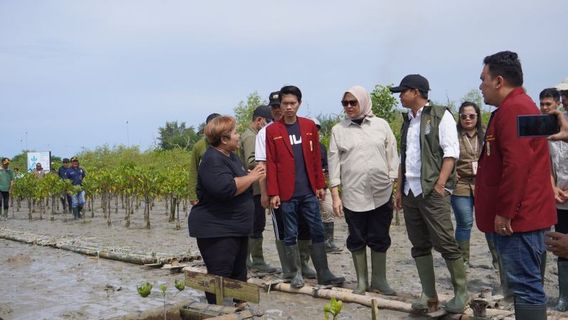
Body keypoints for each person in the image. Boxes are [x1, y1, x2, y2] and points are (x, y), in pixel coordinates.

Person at [475, 51, 556, 319]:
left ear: (499, 81)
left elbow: (518, 164)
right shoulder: (516, 107)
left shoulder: (516, 109)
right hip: (523, 215)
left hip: (519, 219)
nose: (481, 86)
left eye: (483, 80)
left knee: (527, 286)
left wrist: (505, 211)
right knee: (524, 286)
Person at [391, 74, 468, 314]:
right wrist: (399, 189)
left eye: (403, 92)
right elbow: (405, 158)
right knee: (419, 244)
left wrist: (440, 185)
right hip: (410, 190)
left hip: (432, 191)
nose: (400, 96)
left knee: (445, 242)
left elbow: (451, 153)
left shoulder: (440, 115)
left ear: (416, 91)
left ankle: (461, 293)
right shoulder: (408, 120)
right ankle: (429, 294)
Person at [266, 85, 344, 288]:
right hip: (286, 193)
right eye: (285, 104)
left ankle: (324, 272)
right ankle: (295, 273)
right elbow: (271, 163)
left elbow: (316, 160)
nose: (289, 107)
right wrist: (273, 192)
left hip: (308, 190)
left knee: (317, 230)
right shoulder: (273, 130)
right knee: (290, 232)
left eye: (293, 103)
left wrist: (320, 185)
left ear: (299, 104)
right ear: (280, 105)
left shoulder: (309, 127)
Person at [328, 85, 398, 295]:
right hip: (353, 194)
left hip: (381, 192)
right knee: (356, 237)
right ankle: (361, 281)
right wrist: (335, 196)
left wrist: (393, 183)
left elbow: (392, 155)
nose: (349, 106)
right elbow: (334, 163)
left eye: (353, 102)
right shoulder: (338, 130)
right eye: (345, 103)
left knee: (380, 236)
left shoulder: (381, 125)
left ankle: (380, 280)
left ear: (363, 102)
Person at [188, 115, 265, 305]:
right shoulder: (212, 159)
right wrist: (253, 176)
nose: (238, 136)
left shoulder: (231, 156)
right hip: (217, 229)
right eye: (235, 133)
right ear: (223, 139)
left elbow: (236, 180)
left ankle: (241, 309)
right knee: (219, 276)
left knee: (239, 274)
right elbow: (226, 188)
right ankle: (217, 312)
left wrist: (247, 176)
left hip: (235, 227)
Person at [256, 91, 316, 281]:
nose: (279, 110)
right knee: (284, 229)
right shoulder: (266, 132)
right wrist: (266, 192)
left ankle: (304, 264)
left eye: (280, 105)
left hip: (303, 190)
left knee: (306, 227)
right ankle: (289, 269)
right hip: (279, 193)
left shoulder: (304, 126)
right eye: (274, 107)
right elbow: (263, 165)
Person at [238, 105, 277, 273]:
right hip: (254, 188)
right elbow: (251, 161)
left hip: (255, 187)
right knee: (256, 224)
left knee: (256, 224)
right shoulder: (251, 137)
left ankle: (249, 260)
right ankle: (255, 261)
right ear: (259, 120)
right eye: (267, 122)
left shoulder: (252, 135)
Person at [539, 88, 568, 311]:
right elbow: (546, 163)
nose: (545, 108)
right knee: (561, 245)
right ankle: (564, 296)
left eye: (549, 104)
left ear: (558, 104)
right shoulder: (544, 130)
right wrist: (552, 187)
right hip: (559, 198)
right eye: (543, 104)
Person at [450, 101, 484, 270]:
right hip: (461, 183)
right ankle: (463, 260)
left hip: (483, 183)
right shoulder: (453, 135)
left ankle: (496, 259)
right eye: (464, 116)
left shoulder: (485, 135)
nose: (468, 119)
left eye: (471, 116)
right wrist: (451, 172)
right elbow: (445, 155)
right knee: (465, 222)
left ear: (477, 116)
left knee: (489, 222)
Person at [312, 117, 341, 253]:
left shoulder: (321, 147)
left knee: (328, 211)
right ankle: (314, 243)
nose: (315, 132)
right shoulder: (301, 147)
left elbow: (327, 164)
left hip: (322, 184)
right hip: (309, 187)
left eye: (317, 129)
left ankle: (328, 242)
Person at [189, 113, 221, 206]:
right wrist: (192, 195)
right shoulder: (199, 146)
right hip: (205, 190)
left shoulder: (228, 143)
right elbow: (193, 171)